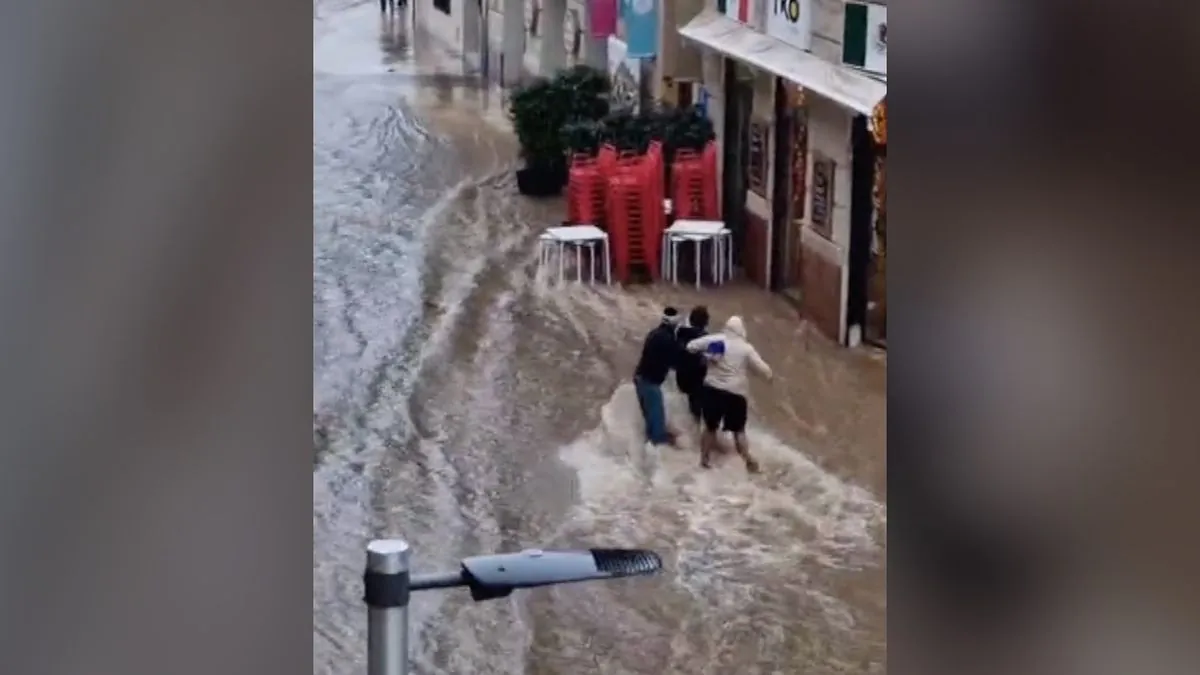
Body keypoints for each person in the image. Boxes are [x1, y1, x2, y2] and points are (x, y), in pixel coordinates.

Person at [686, 315, 773, 472]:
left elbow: (691, 346)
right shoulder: (747, 348)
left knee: (710, 427)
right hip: (736, 393)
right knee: (739, 430)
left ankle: (704, 460)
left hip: (713, 390)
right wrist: (769, 377)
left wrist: (707, 356)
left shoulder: (717, 339)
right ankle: (748, 461)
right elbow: (763, 369)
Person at [633, 307, 681, 447]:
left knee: (650, 421)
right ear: (674, 323)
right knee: (657, 425)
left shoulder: (653, 333)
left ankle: (645, 455)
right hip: (650, 383)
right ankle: (659, 455)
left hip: (639, 378)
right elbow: (675, 362)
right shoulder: (668, 339)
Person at [673, 306, 710, 432]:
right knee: (700, 410)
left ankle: (690, 432)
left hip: (681, 379)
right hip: (696, 381)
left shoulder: (680, 333)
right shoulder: (705, 338)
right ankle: (697, 436)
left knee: (692, 405)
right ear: (705, 322)